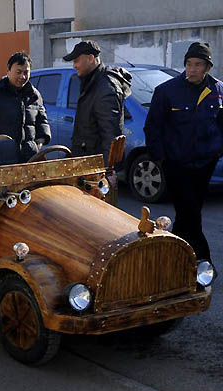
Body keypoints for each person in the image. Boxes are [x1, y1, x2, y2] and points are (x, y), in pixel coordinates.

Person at [144, 42, 223, 264]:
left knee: (187, 215)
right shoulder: (167, 91)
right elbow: (153, 127)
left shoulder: (218, 91)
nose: (192, 69)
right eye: (189, 64)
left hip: (205, 163)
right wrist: (160, 157)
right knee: (191, 213)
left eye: (198, 64)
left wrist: (217, 151)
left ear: (207, 67)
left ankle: (171, 258)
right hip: (176, 165)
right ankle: (203, 261)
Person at [0, 51, 51, 162]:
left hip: (30, 159)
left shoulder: (34, 95)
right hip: (0, 160)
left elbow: (42, 122)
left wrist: (38, 144)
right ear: (8, 71)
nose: (22, 77)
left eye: (26, 72)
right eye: (18, 72)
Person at [63, 40, 132, 165]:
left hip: (97, 167)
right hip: (87, 162)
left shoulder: (105, 87)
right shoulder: (92, 82)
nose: (74, 65)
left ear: (90, 58)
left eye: (76, 60)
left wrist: (108, 171)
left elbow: (110, 134)